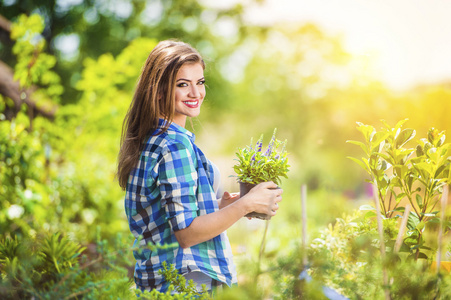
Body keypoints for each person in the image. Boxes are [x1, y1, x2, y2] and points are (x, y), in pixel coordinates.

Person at [117, 40, 283, 293]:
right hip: (187, 285)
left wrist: (223, 206)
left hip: (156, 284)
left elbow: (169, 217)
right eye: (183, 84)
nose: (196, 93)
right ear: (159, 90)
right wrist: (246, 205)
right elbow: (186, 233)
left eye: (200, 82)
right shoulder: (174, 146)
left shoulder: (151, 140)